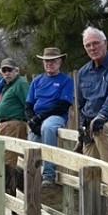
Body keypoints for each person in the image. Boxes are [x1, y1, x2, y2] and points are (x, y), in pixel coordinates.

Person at [76, 27, 108, 166]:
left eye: (95, 43)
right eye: (88, 45)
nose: (92, 48)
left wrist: (102, 116)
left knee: (101, 129)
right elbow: (81, 104)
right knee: (88, 166)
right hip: (90, 121)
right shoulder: (83, 72)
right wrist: (82, 126)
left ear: (105, 43)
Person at [25, 47, 74, 187]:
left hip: (55, 115)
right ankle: (32, 177)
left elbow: (63, 105)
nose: (49, 64)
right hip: (37, 116)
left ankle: (49, 174)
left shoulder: (66, 80)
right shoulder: (36, 81)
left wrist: (39, 118)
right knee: (32, 140)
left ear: (59, 62)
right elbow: (28, 104)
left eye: (53, 61)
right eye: (46, 61)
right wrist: (31, 120)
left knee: (47, 128)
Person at [0, 58, 30, 169]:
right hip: (4, 125)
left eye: (10, 70)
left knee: (9, 161)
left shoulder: (21, 84)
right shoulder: (7, 85)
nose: (7, 73)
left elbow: (28, 104)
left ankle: (10, 181)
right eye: (4, 71)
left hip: (14, 125)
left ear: (16, 71)